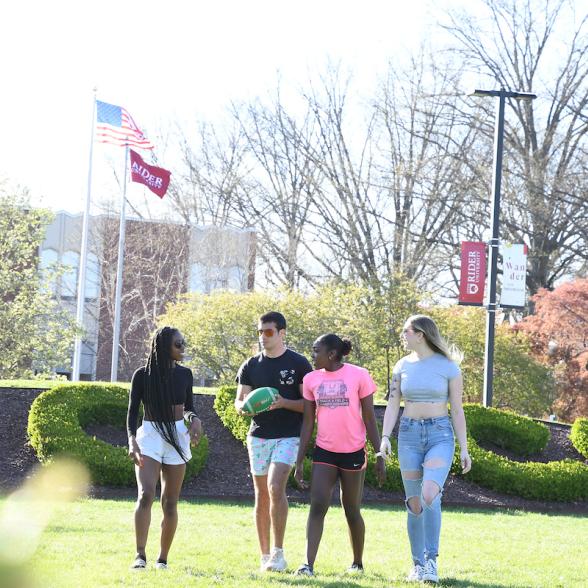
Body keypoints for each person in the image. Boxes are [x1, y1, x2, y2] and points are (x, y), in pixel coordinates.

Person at [380, 315, 472, 584]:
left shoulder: (449, 368)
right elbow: (393, 403)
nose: (403, 335)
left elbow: (456, 409)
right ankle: (417, 564)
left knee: (430, 494)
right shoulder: (402, 365)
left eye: (406, 330)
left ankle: (431, 561)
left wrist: (464, 448)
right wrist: (385, 437)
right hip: (408, 435)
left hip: (439, 435)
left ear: (420, 334)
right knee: (414, 503)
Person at [293, 334, 386, 577]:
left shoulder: (359, 375)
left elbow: (369, 417)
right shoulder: (311, 379)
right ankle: (307, 565)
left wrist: (379, 454)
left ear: (332, 354)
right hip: (325, 452)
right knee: (318, 505)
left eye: (316, 351)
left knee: (351, 509)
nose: (312, 356)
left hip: (353, 452)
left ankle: (357, 563)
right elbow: (307, 423)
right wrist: (300, 459)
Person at [234, 311, 313, 572]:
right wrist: (244, 408)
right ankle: (264, 555)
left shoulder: (299, 363)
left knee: (275, 486)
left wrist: (283, 403)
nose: (263, 337)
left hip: (289, 435)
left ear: (282, 333)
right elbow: (239, 401)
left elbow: (310, 406)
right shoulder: (251, 365)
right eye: (260, 332)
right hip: (258, 437)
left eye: (268, 332)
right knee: (261, 495)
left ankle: (279, 554)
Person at [126, 326, 203, 570]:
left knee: (170, 502)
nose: (183, 348)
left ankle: (162, 559)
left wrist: (194, 419)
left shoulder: (185, 375)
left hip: (177, 437)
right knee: (145, 494)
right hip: (149, 435)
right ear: (164, 347)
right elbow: (131, 413)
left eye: (183, 343)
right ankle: (140, 555)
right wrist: (131, 440)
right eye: (178, 344)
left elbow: (188, 407)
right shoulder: (142, 375)